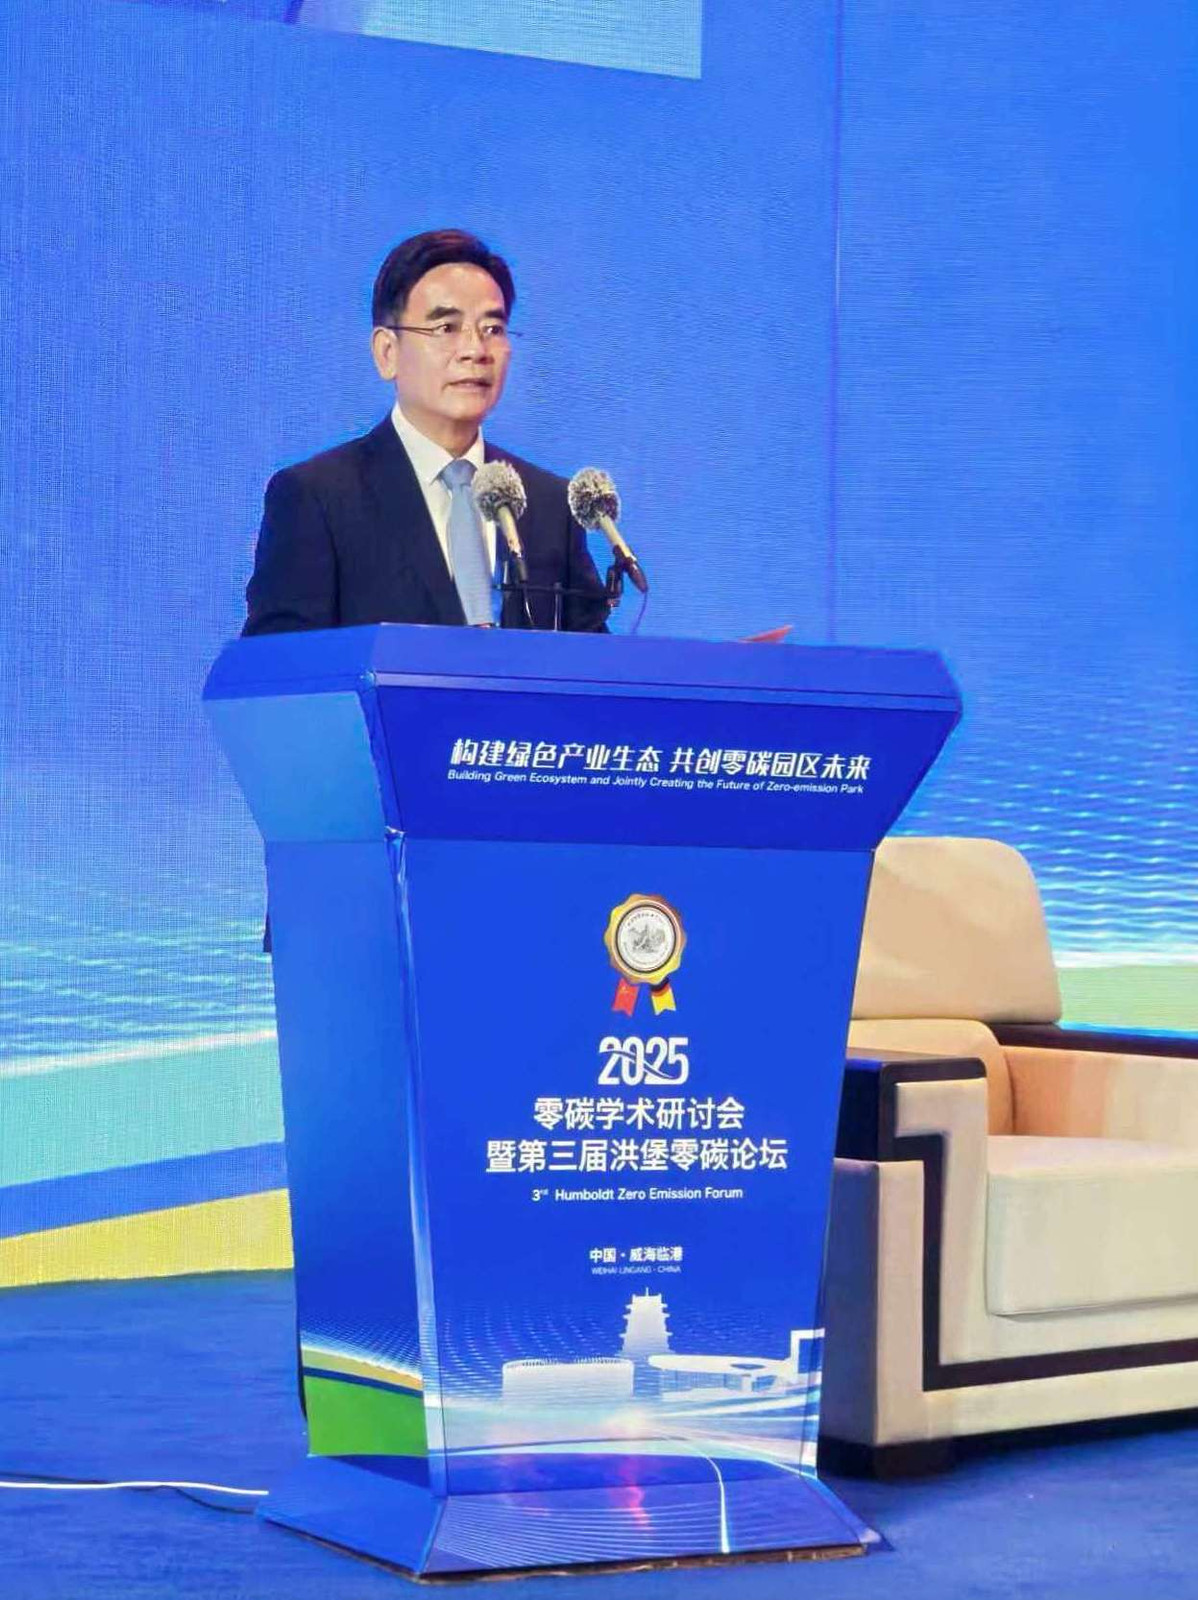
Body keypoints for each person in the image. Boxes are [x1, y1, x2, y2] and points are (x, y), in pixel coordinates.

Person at [243, 229, 609, 637]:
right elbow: (280, 666)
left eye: (492, 329)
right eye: (446, 328)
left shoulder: (550, 505)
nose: (475, 350)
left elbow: (594, 664)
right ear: (387, 352)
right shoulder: (319, 498)